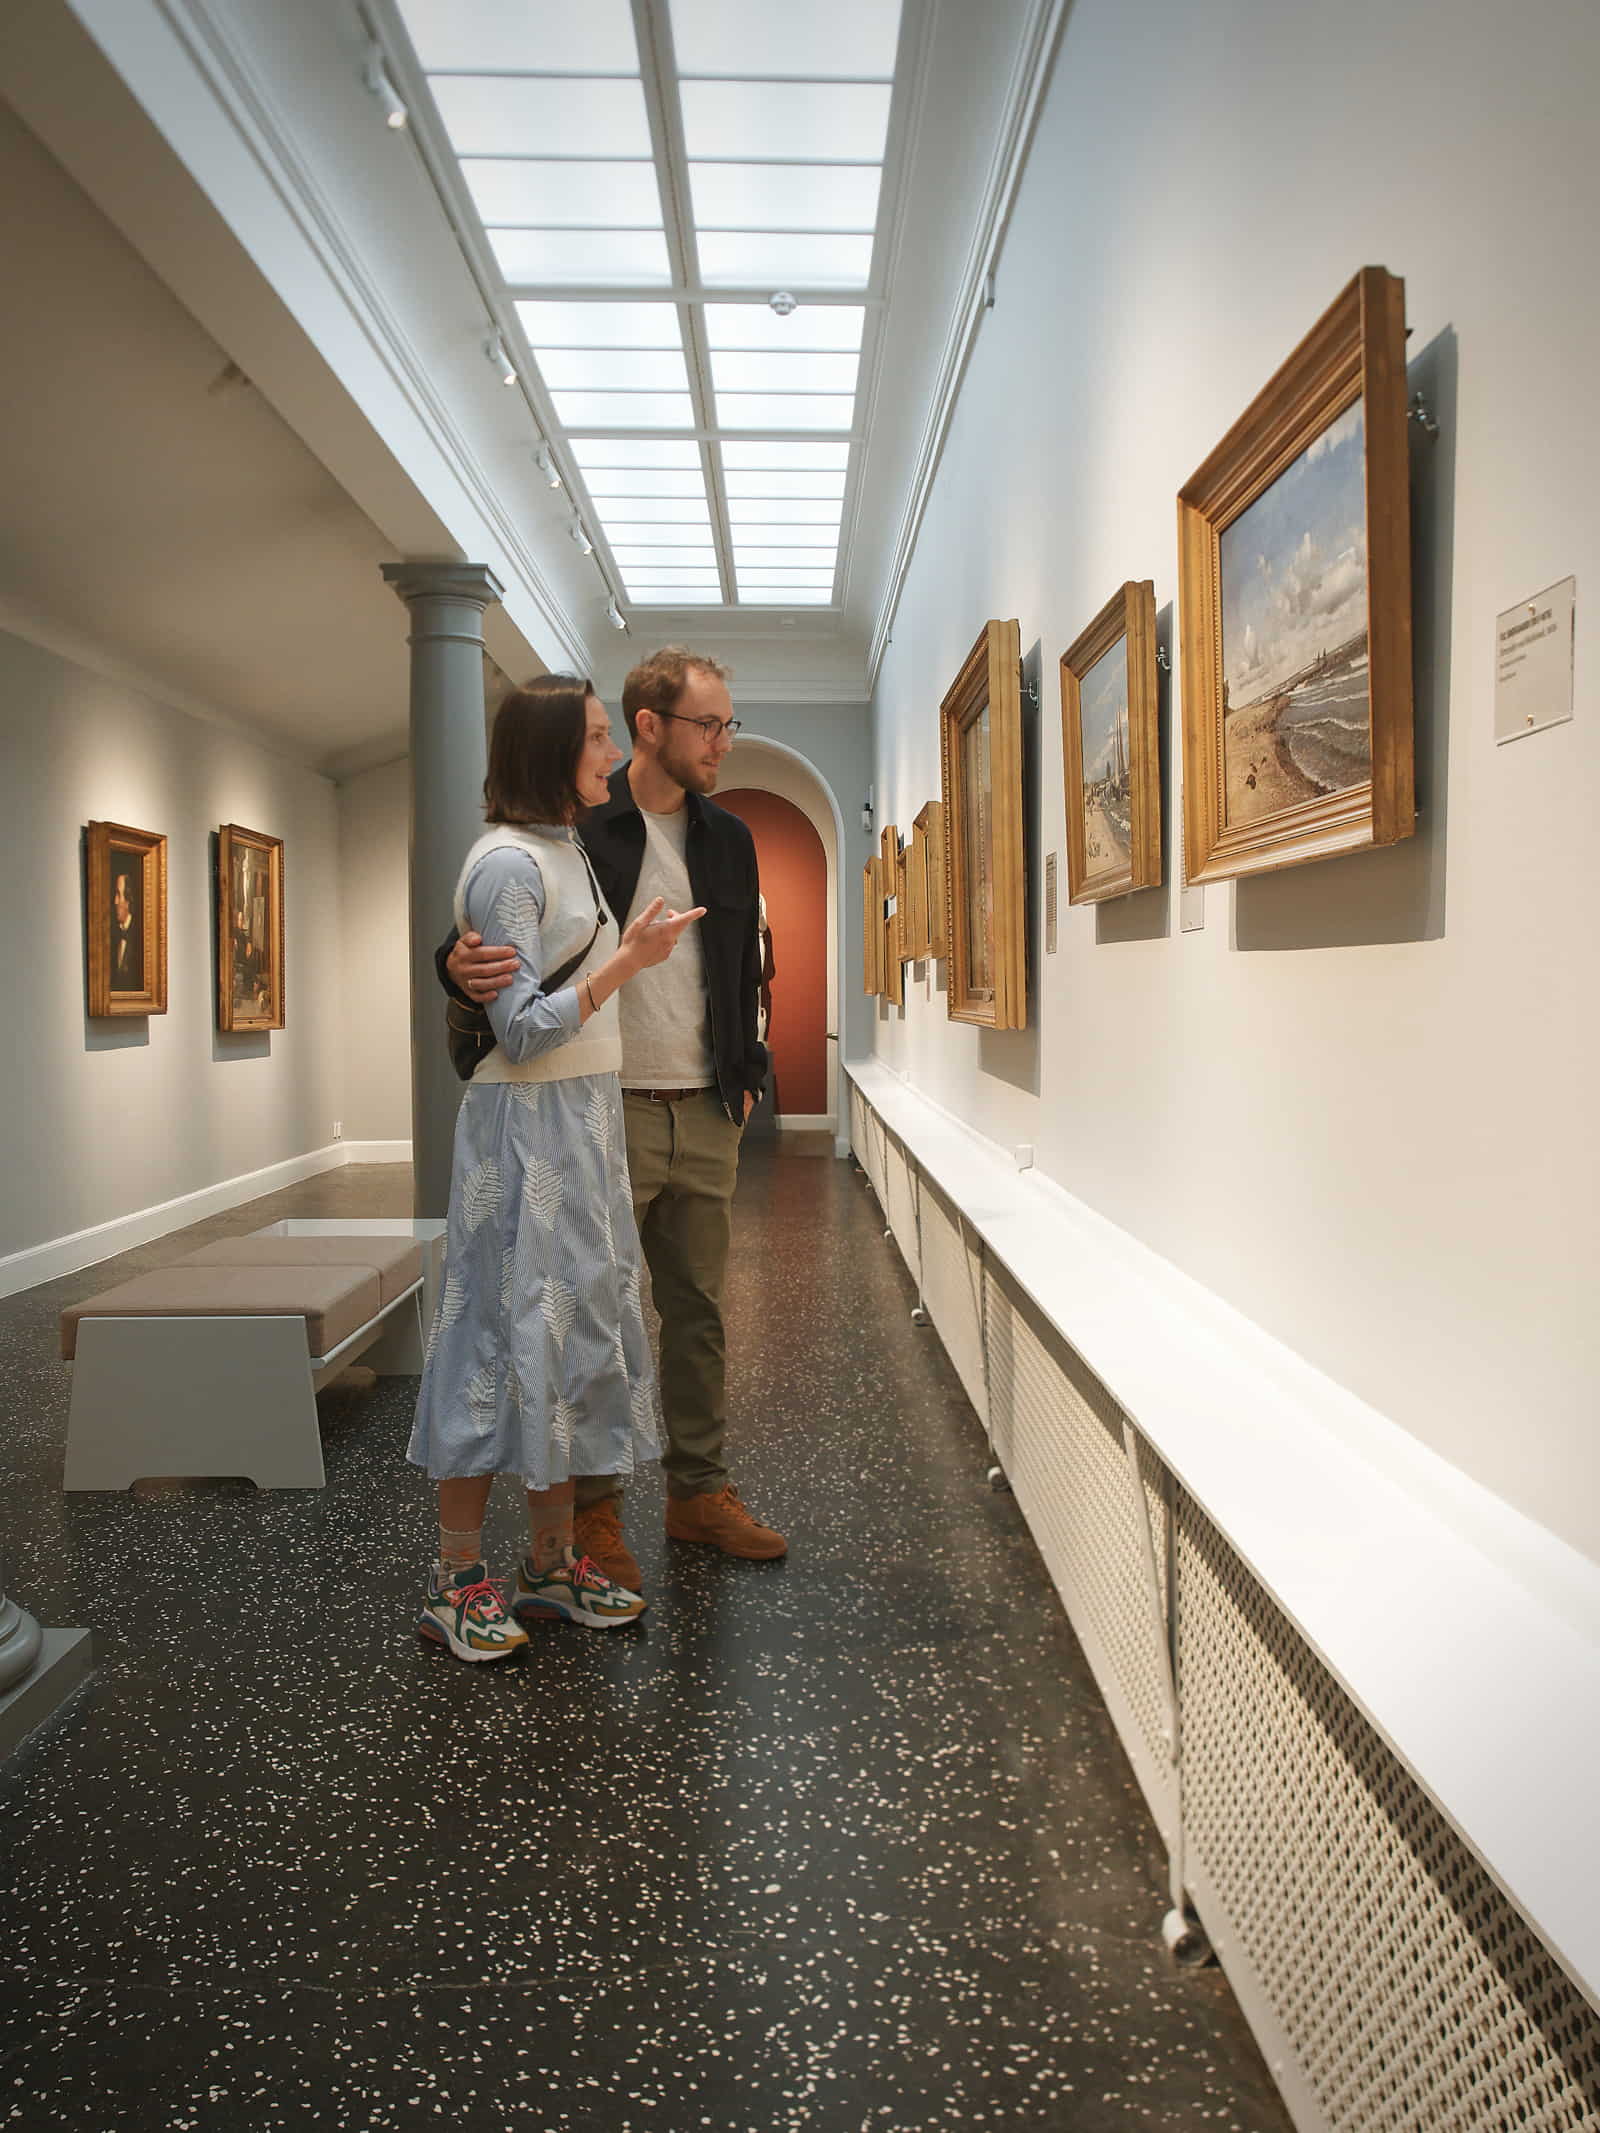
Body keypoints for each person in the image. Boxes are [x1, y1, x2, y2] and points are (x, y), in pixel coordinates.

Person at [442, 646, 786, 1592]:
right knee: (592, 1318)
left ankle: (698, 1493)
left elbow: (750, 960)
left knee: (698, 1309)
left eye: (726, 724)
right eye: (708, 724)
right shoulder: (572, 825)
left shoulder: (731, 837)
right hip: (601, 1106)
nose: (723, 741)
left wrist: (748, 1069)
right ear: (648, 728)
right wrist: (451, 969)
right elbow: (492, 942)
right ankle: (592, 1516)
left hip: (705, 1103)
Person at [411, 674, 705, 1662]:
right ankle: (456, 1582)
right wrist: (633, 963)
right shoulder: (505, 866)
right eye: (591, 738)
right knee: (495, 1346)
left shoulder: (562, 845)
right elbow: (525, 1030)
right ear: (546, 751)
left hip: (576, 1123)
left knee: (562, 1343)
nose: (610, 755)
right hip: (526, 1128)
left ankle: (545, 1564)